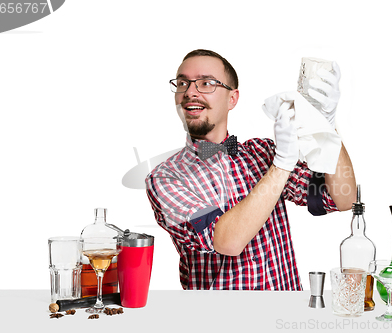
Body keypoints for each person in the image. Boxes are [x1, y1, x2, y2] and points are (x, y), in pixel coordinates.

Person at [146, 49, 356, 290]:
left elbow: (342, 198)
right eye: (183, 83)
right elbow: (227, 241)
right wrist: (281, 166)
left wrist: (327, 129)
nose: (190, 92)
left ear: (232, 99)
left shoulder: (262, 153)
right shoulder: (166, 178)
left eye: (206, 83)